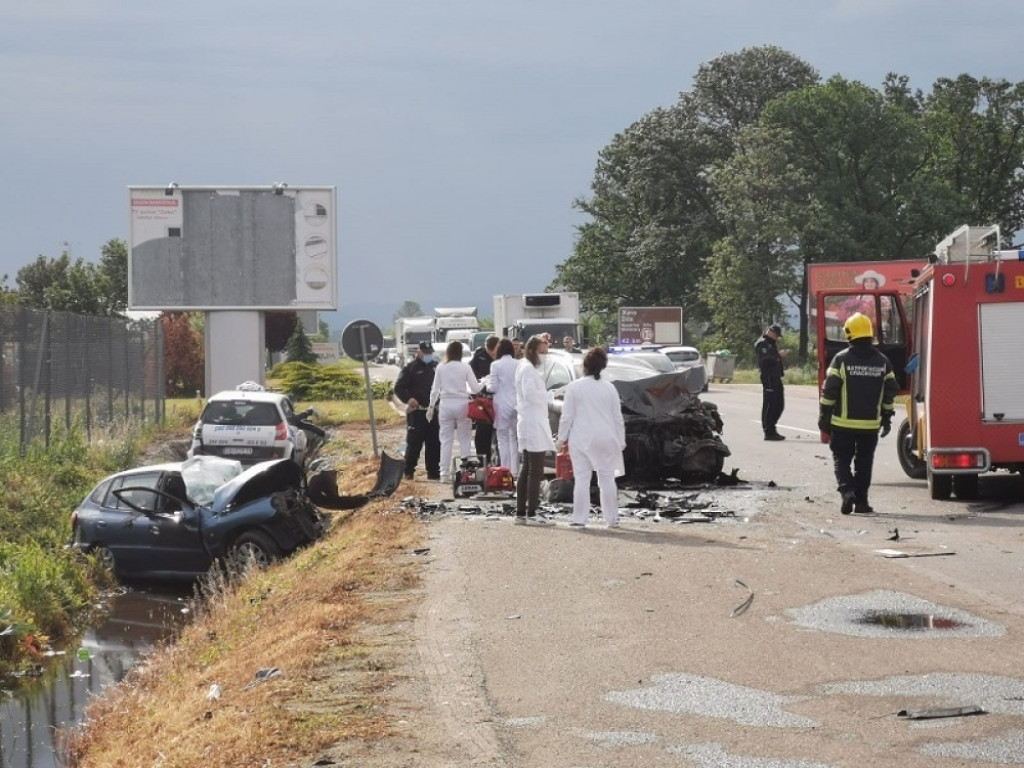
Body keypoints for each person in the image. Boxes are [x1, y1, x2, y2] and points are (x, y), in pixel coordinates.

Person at [818, 313, 898, 515]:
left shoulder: (841, 359)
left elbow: (830, 392)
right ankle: (862, 503)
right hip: (870, 426)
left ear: (849, 333)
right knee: (864, 463)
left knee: (841, 460)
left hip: (842, 424)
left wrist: (823, 416)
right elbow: (890, 391)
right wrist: (887, 417)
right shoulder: (882, 360)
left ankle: (847, 492)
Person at [556, 347, 625, 528]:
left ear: (584, 365)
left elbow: (567, 417)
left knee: (582, 479)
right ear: (603, 366)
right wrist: (621, 439)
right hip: (607, 438)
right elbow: (618, 418)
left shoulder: (574, 387)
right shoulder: (610, 388)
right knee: (607, 479)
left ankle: (579, 518)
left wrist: (561, 439)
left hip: (581, 439)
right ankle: (612, 519)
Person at [514, 335, 555, 524]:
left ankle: (521, 512)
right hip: (532, 423)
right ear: (532, 351)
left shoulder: (524, 366)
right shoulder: (528, 369)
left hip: (528, 422)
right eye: (542, 352)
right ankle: (532, 512)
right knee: (535, 470)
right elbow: (531, 394)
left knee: (527, 468)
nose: (544, 356)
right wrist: (548, 396)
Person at [429, 340, 482, 483]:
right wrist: (484, 382)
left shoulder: (441, 367)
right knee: (465, 439)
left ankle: (444, 473)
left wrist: (431, 406)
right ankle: (465, 472)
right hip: (462, 405)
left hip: (445, 406)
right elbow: (476, 389)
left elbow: (435, 389)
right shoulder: (465, 367)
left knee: (446, 441)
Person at [393, 341, 440, 480]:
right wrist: (408, 399)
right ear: (419, 353)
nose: (428, 355)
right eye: (425, 353)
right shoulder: (410, 368)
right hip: (417, 412)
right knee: (414, 444)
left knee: (434, 444)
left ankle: (433, 472)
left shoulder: (436, 368)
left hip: (433, 412)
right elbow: (399, 387)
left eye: (430, 353)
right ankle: (408, 471)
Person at [489, 337, 520, 477]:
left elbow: (493, 387)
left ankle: (505, 471)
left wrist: (486, 385)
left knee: (503, 438)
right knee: (514, 437)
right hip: (517, 404)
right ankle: (515, 471)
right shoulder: (518, 364)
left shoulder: (495, 365)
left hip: (501, 404)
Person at [469, 335, 500, 464]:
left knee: (499, 433)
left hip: (499, 399)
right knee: (483, 432)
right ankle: (483, 460)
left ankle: (498, 462)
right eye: (491, 352)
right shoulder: (479, 357)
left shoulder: (502, 357)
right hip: (484, 400)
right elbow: (471, 375)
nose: (494, 354)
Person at [755, 323, 789, 441]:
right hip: (768, 378)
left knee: (779, 405)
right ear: (771, 332)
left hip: (776, 377)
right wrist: (778, 355)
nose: (777, 338)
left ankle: (772, 428)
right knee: (770, 404)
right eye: (777, 335)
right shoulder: (762, 344)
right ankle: (768, 431)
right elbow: (764, 361)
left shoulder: (771, 344)